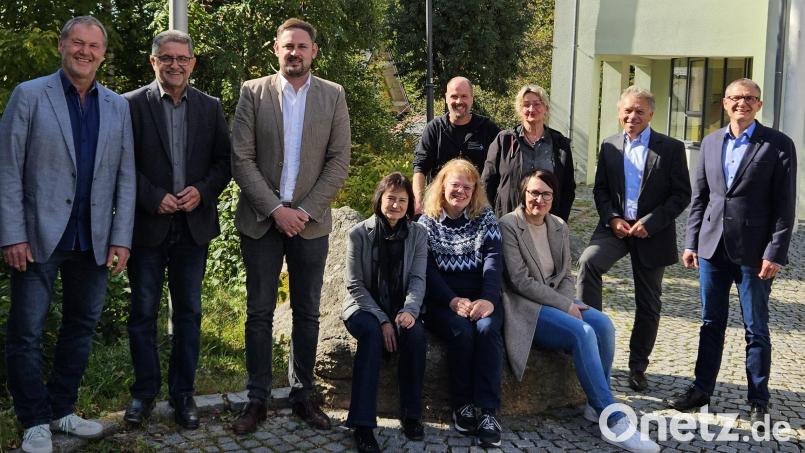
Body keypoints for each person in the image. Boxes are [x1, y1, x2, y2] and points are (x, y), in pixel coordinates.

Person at [0, 16, 135, 453]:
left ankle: (61, 409)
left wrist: (121, 237)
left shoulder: (117, 106)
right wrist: (12, 234)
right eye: (78, 43)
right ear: (62, 46)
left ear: (102, 54)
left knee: (81, 327)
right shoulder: (29, 95)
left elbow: (126, 177)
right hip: (37, 236)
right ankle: (34, 421)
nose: (85, 52)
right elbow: (7, 169)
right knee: (26, 331)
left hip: (93, 238)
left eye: (94, 46)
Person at [230, 17, 351, 434]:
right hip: (261, 221)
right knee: (259, 312)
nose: (294, 53)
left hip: (310, 224)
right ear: (276, 49)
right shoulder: (253, 92)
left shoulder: (333, 95)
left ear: (313, 51)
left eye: (302, 46)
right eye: (288, 46)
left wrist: (304, 210)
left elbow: (339, 161)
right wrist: (275, 210)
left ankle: (303, 394)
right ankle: (257, 398)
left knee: (307, 313)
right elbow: (241, 158)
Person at [667, 78, 797, 429]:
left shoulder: (777, 144)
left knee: (756, 328)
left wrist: (775, 252)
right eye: (736, 98)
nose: (742, 103)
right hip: (712, 248)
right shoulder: (711, 143)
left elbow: (785, 205)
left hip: (755, 254)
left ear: (759, 105)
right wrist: (691, 242)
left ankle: (758, 400)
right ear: (725, 103)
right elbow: (700, 197)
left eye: (750, 98)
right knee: (711, 323)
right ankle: (701, 390)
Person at [499, 170, 660, 453]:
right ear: (523, 194)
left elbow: (566, 274)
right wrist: (565, 306)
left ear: (553, 197)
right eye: (534, 193)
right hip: (526, 307)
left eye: (546, 194)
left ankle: (595, 405)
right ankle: (613, 419)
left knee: (603, 325)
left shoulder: (558, 225)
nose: (539, 199)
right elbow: (519, 281)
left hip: (557, 301)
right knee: (582, 331)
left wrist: (565, 302)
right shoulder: (509, 225)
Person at [121, 30, 232, 429]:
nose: (175, 65)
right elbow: (120, 162)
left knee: (189, 313)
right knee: (143, 313)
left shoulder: (210, 107)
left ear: (192, 63)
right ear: (153, 61)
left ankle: (183, 393)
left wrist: (202, 191)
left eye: (182, 58)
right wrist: (152, 197)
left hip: (192, 227)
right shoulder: (129, 105)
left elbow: (225, 162)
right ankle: (144, 393)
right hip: (147, 226)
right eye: (166, 58)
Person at [576, 86, 691, 392]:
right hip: (615, 227)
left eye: (639, 111)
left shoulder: (671, 148)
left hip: (652, 232)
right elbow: (601, 190)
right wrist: (612, 217)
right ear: (619, 113)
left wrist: (651, 223)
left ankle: (638, 367)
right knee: (588, 263)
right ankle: (591, 344)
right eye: (627, 110)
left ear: (650, 114)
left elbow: (682, 194)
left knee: (648, 302)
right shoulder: (609, 145)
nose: (632, 116)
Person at [417, 159, 504, 448]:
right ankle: (463, 404)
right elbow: (426, 270)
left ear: (475, 190)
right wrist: (452, 300)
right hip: (442, 301)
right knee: (462, 332)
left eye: (468, 187)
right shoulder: (426, 223)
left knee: (486, 329)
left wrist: (488, 299)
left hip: (481, 297)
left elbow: (493, 261)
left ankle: (488, 412)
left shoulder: (485, 218)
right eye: (456, 185)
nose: (461, 191)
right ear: (443, 186)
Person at [341, 172, 428, 452]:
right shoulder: (358, 234)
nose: (396, 205)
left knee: (415, 334)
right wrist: (382, 320)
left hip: (401, 306)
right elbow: (354, 284)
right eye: (391, 198)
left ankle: (411, 414)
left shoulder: (418, 234)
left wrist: (410, 310)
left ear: (409, 204)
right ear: (380, 199)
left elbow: (418, 279)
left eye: (402, 200)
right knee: (372, 334)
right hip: (364, 307)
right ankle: (362, 425)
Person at [482, 84, 576, 220]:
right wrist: (490, 218)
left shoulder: (559, 144)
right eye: (526, 105)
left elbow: (568, 188)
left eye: (537, 104)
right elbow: (487, 182)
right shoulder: (504, 140)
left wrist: (559, 221)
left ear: (546, 108)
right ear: (520, 109)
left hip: (547, 221)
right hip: (508, 220)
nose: (531, 109)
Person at [412, 77, 500, 214]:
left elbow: (502, 168)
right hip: (440, 208)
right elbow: (420, 166)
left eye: (464, 96)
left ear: (471, 99)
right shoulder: (435, 128)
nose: (459, 101)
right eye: (454, 96)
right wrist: (418, 201)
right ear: (446, 98)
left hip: (477, 209)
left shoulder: (487, 129)